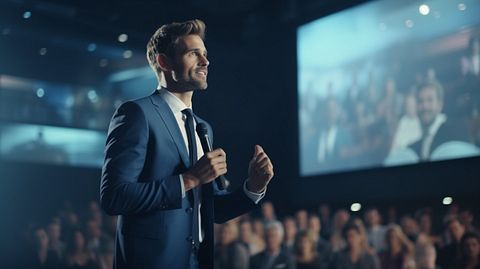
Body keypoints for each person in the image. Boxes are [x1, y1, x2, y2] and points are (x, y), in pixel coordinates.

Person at [100, 19, 274, 269]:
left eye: (205, 54)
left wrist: (253, 188)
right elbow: (114, 197)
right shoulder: (137, 114)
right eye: (194, 53)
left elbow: (212, 209)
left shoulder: (203, 127)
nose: (205, 61)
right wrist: (188, 180)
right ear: (164, 62)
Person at [409, 81, 470, 160]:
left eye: (430, 100)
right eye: (421, 101)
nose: (425, 106)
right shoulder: (417, 142)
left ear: (440, 105)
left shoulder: (456, 131)